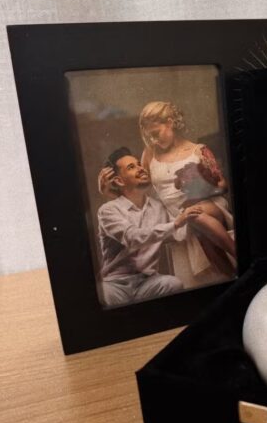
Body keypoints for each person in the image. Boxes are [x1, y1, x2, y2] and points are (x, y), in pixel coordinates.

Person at [138, 101, 236, 277]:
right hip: (176, 214)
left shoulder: (199, 150)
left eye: (155, 134)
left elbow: (223, 185)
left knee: (193, 214)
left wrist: (199, 187)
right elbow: (141, 189)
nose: (153, 140)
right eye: (149, 137)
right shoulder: (149, 154)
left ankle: (239, 255)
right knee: (198, 228)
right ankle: (232, 274)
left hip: (210, 206)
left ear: (170, 123)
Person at [98, 147, 201, 307]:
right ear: (119, 181)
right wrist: (176, 223)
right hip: (115, 285)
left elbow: (177, 233)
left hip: (148, 282)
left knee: (173, 284)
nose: (141, 168)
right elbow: (132, 237)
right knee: (101, 296)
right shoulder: (108, 210)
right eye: (131, 167)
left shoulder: (158, 207)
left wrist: (197, 215)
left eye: (139, 164)